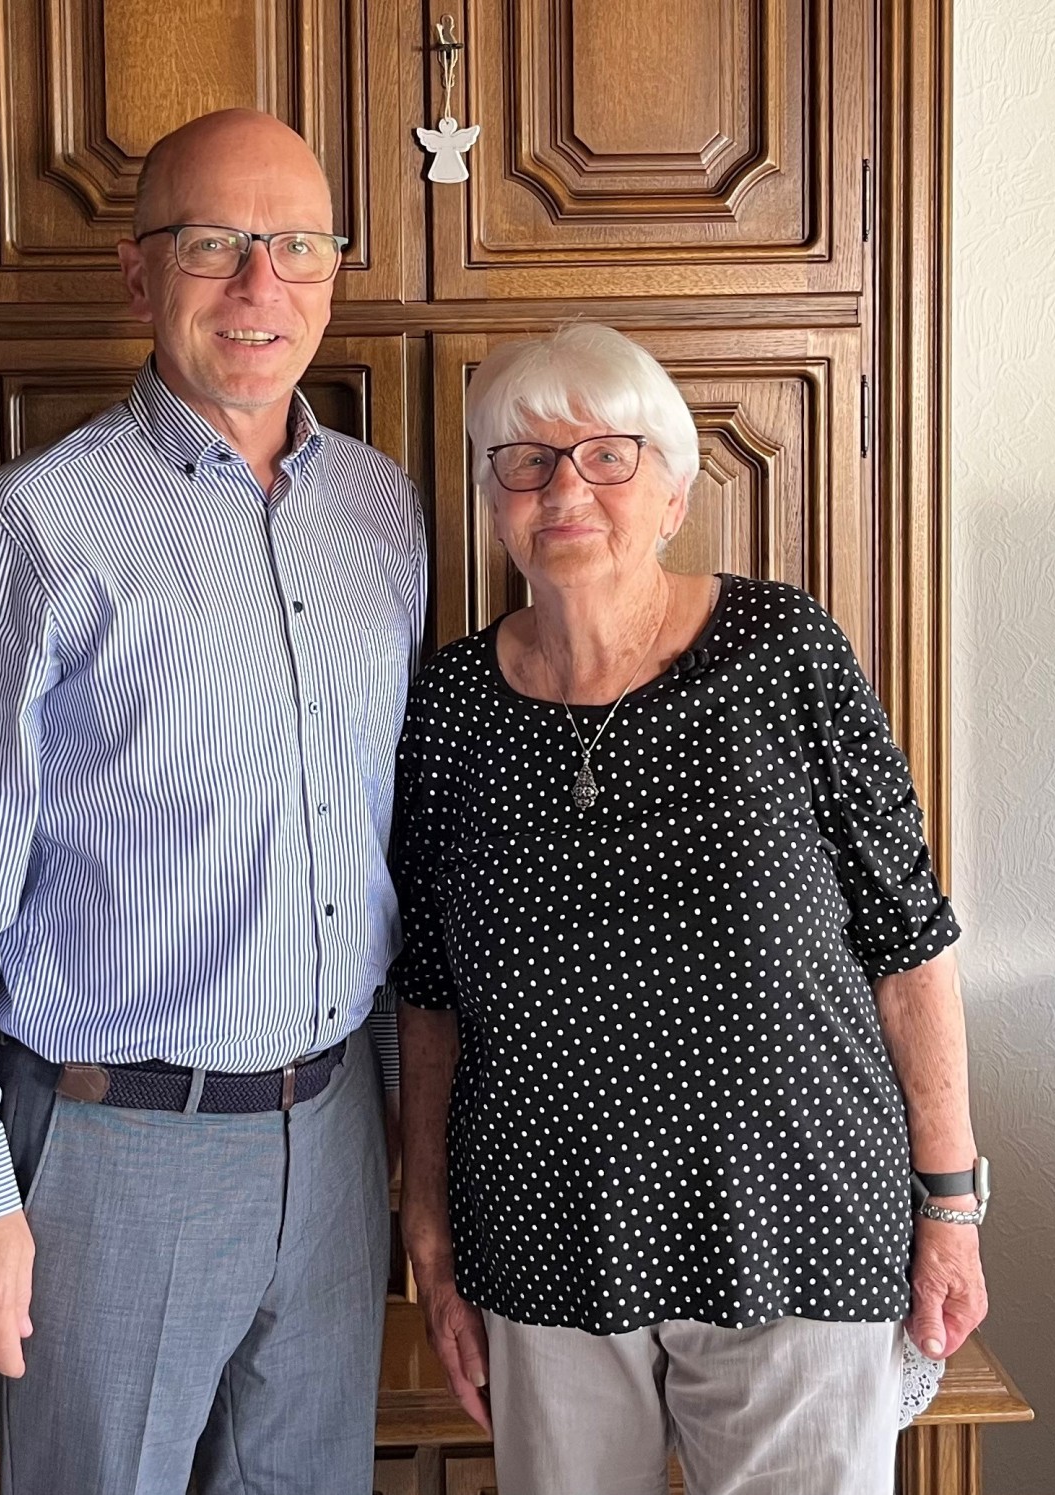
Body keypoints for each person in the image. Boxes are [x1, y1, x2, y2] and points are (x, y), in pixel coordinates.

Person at [0, 108, 425, 1495]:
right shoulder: (30, 533)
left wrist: (412, 1135)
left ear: (335, 273)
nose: (259, 287)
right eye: (214, 246)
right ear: (139, 276)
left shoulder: (383, 511)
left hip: (339, 1133)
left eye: (295, 246)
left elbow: (383, 836)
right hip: (115, 1155)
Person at [391, 324, 989, 1495]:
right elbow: (428, 990)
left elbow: (907, 938)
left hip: (794, 1215)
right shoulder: (451, 704)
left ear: (672, 493)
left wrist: (953, 1202)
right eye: (526, 459)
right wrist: (429, 1227)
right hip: (540, 1226)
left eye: (609, 455)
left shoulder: (784, 650)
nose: (565, 485)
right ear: (495, 500)